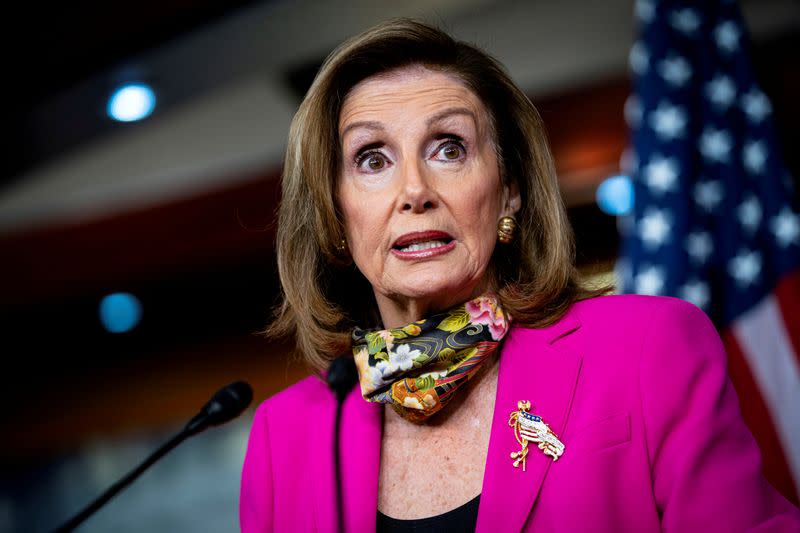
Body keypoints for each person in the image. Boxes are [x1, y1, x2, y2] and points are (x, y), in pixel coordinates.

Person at [240, 18, 800, 532]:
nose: (414, 192)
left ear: (509, 192)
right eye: (372, 159)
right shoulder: (283, 437)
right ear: (335, 216)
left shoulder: (647, 345)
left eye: (448, 148)